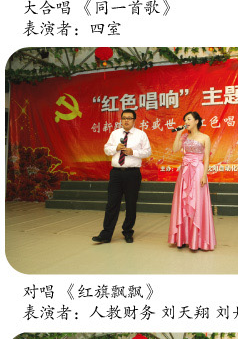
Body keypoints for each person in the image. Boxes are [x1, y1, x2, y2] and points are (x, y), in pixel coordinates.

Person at [90, 106, 153, 246]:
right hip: (116, 173)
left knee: (131, 204)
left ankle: (128, 232)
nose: (126, 121)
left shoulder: (141, 134)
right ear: (121, 120)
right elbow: (107, 149)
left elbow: (147, 152)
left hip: (132, 173)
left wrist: (133, 152)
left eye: (129, 118)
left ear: (134, 120)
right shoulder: (115, 133)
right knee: (112, 204)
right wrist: (115, 148)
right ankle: (106, 234)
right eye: (124, 118)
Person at [166, 109, 216, 252]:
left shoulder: (205, 137)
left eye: (189, 119)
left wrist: (204, 175)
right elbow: (175, 149)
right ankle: (182, 238)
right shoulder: (184, 137)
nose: (186, 122)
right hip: (184, 172)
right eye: (185, 120)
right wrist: (178, 134)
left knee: (196, 202)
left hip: (197, 170)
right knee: (183, 202)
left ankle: (197, 240)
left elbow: (207, 158)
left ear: (196, 121)